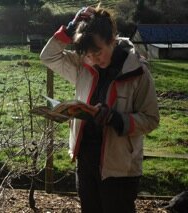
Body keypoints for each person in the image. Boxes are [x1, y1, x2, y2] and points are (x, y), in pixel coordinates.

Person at [40, 6, 160, 213]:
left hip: (120, 169)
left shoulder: (138, 72)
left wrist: (116, 119)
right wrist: (69, 30)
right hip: (85, 160)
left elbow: (151, 119)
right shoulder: (83, 65)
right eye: (87, 54)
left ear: (112, 40)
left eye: (97, 52)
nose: (93, 59)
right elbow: (48, 56)